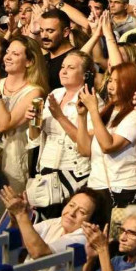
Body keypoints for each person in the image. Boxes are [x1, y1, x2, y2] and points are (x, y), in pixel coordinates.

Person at [0, 186, 110, 271]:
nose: (72, 213)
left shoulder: (83, 238)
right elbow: (19, 240)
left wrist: (21, 214)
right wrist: (15, 220)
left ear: (91, 221)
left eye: (82, 212)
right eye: (71, 205)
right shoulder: (57, 222)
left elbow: (39, 253)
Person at [26, 51, 100, 218]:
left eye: (71, 67)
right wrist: (33, 121)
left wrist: (60, 117)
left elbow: (86, 145)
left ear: (86, 75)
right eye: (62, 67)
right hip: (46, 170)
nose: (63, 71)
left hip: (73, 173)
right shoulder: (55, 94)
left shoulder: (93, 101)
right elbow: (36, 138)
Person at [0, 36, 48, 194]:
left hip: (12, 163)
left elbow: (4, 124)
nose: (8, 57)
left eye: (15, 54)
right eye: (8, 52)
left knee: (7, 214)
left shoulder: (34, 92)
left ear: (29, 61)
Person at [76, 63, 136, 207]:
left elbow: (108, 146)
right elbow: (84, 150)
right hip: (96, 185)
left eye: (117, 82)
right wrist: (82, 116)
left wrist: (93, 110)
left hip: (122, 189)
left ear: (132, 85)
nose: (111, 86)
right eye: (110, 80)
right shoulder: (108, 112)